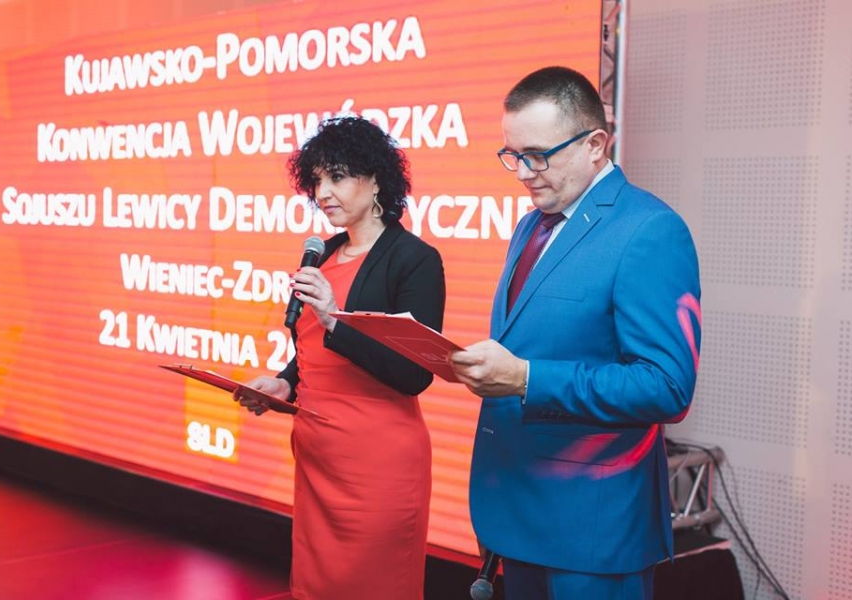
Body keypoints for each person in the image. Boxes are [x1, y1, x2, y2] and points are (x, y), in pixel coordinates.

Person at [449, 66, 702, 600]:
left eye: (538, 155)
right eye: (512, 155)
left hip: (592, 530)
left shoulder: (649, 230)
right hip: (518, 508)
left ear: (594, 144)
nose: (523, 172)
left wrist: (527, 378)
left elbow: (666, 387)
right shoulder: (532, 224)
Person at [235, 115, 445, 600]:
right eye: (316, 181)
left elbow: (415, 373)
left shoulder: (415, 260)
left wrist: (334, 318)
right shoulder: (323, 253)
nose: (323, 192)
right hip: (317, 459)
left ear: (375, 180)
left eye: (337, 177)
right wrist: (285, 383)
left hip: (377, 466)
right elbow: (310, 345)